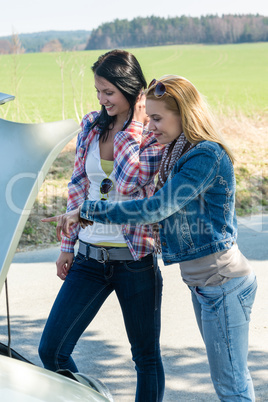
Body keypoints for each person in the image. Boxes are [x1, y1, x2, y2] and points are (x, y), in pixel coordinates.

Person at [45, 75, 258, 401]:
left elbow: (156, 208)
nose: (151, 125)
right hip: (205, 285)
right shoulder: (175, 151)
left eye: (157, 118)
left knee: (232, 388)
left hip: (223, 283)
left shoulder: (204, 157)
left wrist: (88, 211)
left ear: (183, 114)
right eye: (149, 117)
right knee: (229, 383)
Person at [39, 50, 165, 402]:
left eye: (109, 92)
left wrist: (136, 128)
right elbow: (78, 183)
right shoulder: (91, 126)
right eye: (98, 91)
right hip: (89, 259)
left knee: (146, 357)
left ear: (130, 90)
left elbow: (128, 183)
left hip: (134, 260)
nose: (102, 100)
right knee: (52, 350)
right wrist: (67, 245)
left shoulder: (151, 134)